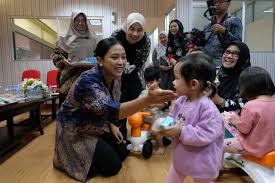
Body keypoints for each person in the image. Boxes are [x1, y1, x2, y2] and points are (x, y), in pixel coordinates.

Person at [53, 38, 176, 182]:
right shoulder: (88, 81)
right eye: (114, 57)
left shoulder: (115, 76)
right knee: (113, 166)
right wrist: (147, 100)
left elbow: (110, 104)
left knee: (122, 151)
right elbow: (108, 108)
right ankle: (66, 157)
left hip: (97, 123)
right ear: (100, 60)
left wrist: (112, 125)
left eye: (123, 57)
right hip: (75, 130)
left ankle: (125, 146)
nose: (121, 62)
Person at [159, 53, 224, 183]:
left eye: (176, 78)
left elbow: (206, 134)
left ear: (193, 84)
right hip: (182, 157)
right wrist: (163, 125)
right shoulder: (181, 100)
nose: (173, 82)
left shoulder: (208, 108)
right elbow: (172, 116)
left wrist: (181, 131)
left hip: (202, 162)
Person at [111, 12, 151, 139]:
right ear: (126, 27)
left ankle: (137, 137)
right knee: (119, 104)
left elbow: (143, 58)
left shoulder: (146, 39)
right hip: (117, 76)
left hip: (135, 75)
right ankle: (120, 136)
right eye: (132, 29)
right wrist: (120, 67)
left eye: (139, 30)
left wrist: (135, 66)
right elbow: (110, 54)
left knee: (137, 105)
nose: (135, 34)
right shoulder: (116, 36)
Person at [223, 66, 275, 158]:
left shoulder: (250, 106)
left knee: (219, 145)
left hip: (252, 148)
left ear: (246, 87)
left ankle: (217, 170)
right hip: (271, 148)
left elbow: (244, 129)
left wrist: (235, 121)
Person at [51, 11, 97, 106]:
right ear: (72, 21)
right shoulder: (64, 38)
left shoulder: (91, 39)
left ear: (86, 22)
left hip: (88, 78)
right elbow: (55, 56)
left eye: (83, 20)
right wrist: (63, 60)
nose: (80, 23)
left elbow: (97, 56)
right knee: (68, 110)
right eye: (77, 20)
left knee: (86, 110)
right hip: (69, 79)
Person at [211, 41, 251, 113]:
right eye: (227, 52)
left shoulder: (247, 78)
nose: (229, 56)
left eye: (235, 54)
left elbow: (247, 104)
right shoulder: (214, 72)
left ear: (242, 57)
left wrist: (222, 101)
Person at [203, 0, 242, 66]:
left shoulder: (234, 21)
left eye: (221, 2)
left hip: (223, 63)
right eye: (215, 2)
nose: (217, 4)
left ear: (228, 3)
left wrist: (224, 32)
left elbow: (238, 43)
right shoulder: (208, 26)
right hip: (206, 63)